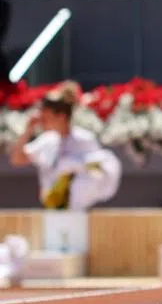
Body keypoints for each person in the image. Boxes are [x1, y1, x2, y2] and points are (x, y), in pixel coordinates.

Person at [7, 81, 121, 211]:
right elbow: (17, 159)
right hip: (52, 211)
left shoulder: (84, 139)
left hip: (82, 213)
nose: (41, 121)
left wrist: (73, 168)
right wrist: (28, 130)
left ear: (61, 116)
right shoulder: (47, 141)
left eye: (45, 117)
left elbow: (99, 175)